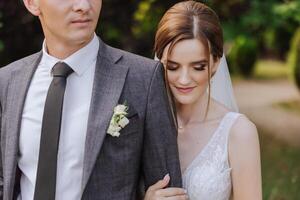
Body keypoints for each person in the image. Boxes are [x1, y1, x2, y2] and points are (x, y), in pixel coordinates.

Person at [0, 0, 182, 199]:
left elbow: (168, 189)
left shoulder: (143, 78)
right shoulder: (8, 82)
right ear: (32, 3)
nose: (84, 6)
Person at [145, 1, 262, 200]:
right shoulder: (143, 125)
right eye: (172, 67)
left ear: (216, 62)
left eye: (197, 67)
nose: (183, 79)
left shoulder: (239, 132)